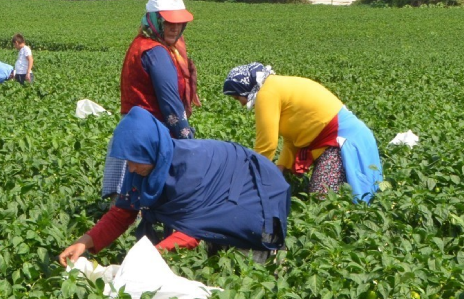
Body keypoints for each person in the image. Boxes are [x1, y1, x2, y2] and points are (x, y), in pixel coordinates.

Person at [59, 108, 291, 267]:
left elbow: (193, 231)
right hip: (227, 191)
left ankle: (273, 261)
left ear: (152, 151)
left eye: (135, 161)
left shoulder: (188, 172)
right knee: (213, 261)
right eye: (127, 161)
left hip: (254, 192)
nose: (130, 168)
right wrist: (84, 242)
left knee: (244, 266)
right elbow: (123, 212)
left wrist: (149, 257)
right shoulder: (141, 168)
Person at [223, 63, 383, 202]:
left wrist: (248, 180)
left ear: (244, 89)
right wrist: (280, 168)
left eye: (238, 98)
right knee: (329, 197)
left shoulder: (266, 93)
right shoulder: (273, 87)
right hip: (338, 139)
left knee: (322, 198)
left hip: (343, 140)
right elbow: (291, 138)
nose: (241, 104)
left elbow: (267, 145)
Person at [103, 0, 201, 197]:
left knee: (129, 197)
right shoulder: (155, 51)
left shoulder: (145, 43)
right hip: (148, 135)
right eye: (168, 22)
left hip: (132, 128)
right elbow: (169, 102)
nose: (175, 28)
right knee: (141, 195)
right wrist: (187, 140)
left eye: (179, 23)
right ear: (155, 20)